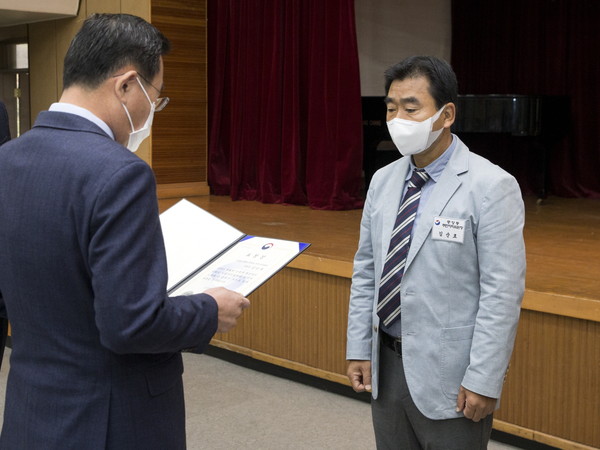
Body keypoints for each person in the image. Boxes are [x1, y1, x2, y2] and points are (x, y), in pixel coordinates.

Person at [0, 14, 250, 449]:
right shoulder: (120, 173)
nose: (153, 110)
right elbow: (131, 325)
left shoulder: (7, 158)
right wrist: (211, 309)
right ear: (127, 85)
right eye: (157, 97)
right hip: (112, 421)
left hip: (31, 412)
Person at [346, 56, 525, 449]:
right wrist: (359, 347)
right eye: (391, 108)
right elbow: (367, 269)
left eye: (411, 108)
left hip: (453, 374)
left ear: (446, 114)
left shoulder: (492, 185)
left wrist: (483, 378)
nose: (398, 119)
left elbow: (501, 294)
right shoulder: (382, 180)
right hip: (387, 366)